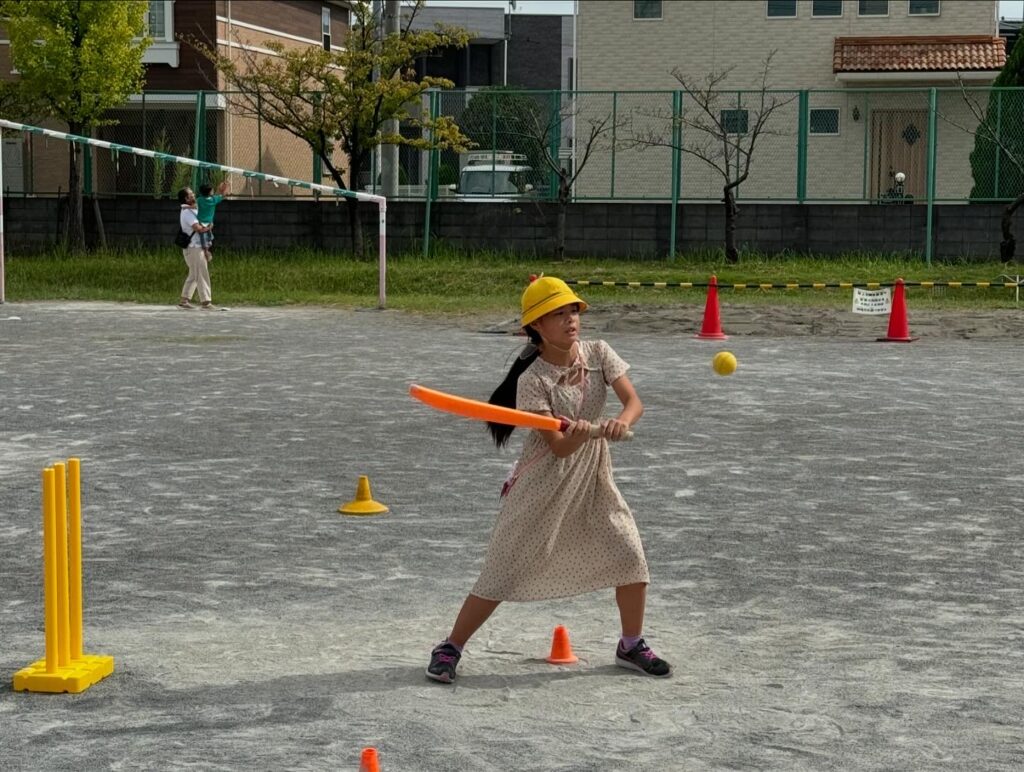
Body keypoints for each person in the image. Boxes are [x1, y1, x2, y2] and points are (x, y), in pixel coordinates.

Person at [426, 275, 671, 683]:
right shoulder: (532, 380)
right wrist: (578, 433)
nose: (570, 320)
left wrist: (616, 423)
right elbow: (557, 446)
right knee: (502, 569)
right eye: (557, 314)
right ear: (536, 327)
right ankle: (450, 647)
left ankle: (631, 644)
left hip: (592, 475)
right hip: (543, 480)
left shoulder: (599, 353)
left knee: (630, 553)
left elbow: (634, 402)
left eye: (572, 310)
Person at [177, 187, 215, 310]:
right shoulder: (187, 213)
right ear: (186, 199)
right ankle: (206, 302)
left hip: (195, 247)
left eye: (193, 193)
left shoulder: (191, 209)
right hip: (194, 248)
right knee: (201, 273)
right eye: (191, 195)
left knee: (194, 274)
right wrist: (208, 226)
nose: (193, 196)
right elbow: (198, 228)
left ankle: (184, 300)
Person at [196, 180, 229, 262]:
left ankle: (205, 252)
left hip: (200, 223)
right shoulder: (213, 200)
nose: (213, 191)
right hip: (209, 224)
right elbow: (222, 195)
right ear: (210, 192)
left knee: (203, 239)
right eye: (212, 190)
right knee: (207, 239)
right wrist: (225, 187)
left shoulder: (199, 200)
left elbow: (193, 205)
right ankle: (206, 253)